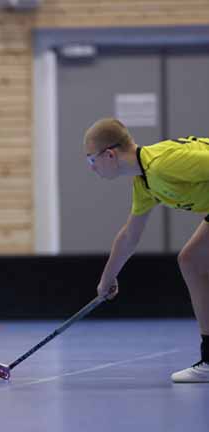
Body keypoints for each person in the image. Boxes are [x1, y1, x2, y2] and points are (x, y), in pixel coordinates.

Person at [83, 117, 209, 383]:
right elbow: (130, 236)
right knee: (191, 260)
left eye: (91, 160)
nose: (91, 168)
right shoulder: (145, 182)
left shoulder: (163, 164)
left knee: (192, 259)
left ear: (109, 155)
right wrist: (107, 279)